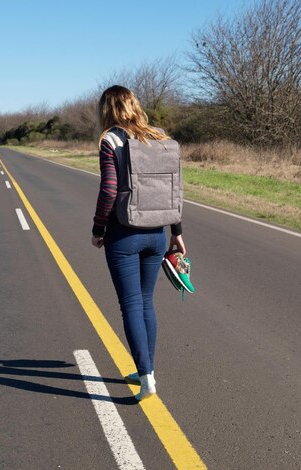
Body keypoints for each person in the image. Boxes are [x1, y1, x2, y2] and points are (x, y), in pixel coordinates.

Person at [90, 85, 186, 401]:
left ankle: (146, 378)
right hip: (158, 232)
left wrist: (98, 227)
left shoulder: (110, 140)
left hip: (124, 233)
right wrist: (177, 231)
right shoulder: (158, 136)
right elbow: (173, 188)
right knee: (146, 302)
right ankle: (148, 371)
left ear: (107, 109)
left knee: (130, 303)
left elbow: (109, 191)